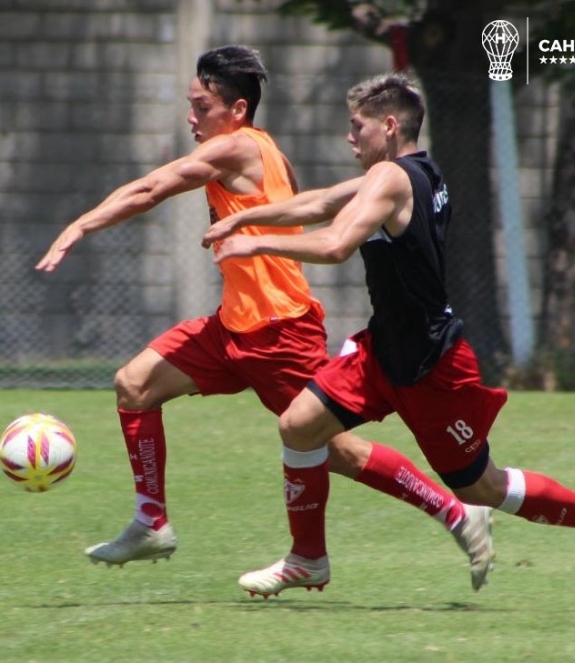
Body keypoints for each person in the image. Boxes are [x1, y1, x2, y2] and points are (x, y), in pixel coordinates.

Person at [37, 46, 494, 592]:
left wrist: (80, 227)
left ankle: (457, 512)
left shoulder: (237, 148)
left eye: (200, 105)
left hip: (279, 331)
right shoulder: (263, 150)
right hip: (233, 327)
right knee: (134, 384)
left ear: (235, 110)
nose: (191, 117)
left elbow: (152, 187)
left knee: (337, 452)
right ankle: (151, 522)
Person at [204, 72, 575, 597]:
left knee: (482, 485)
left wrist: (256, 244)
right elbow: (316, 204)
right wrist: (242, 221)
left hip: (432, 365)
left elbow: (338, 242)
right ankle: (307, 559)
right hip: (383, 351)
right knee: (298, 426)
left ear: (388, 126)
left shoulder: (390, 179)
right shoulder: (415, 171)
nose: (349, 137)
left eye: (356, 126)